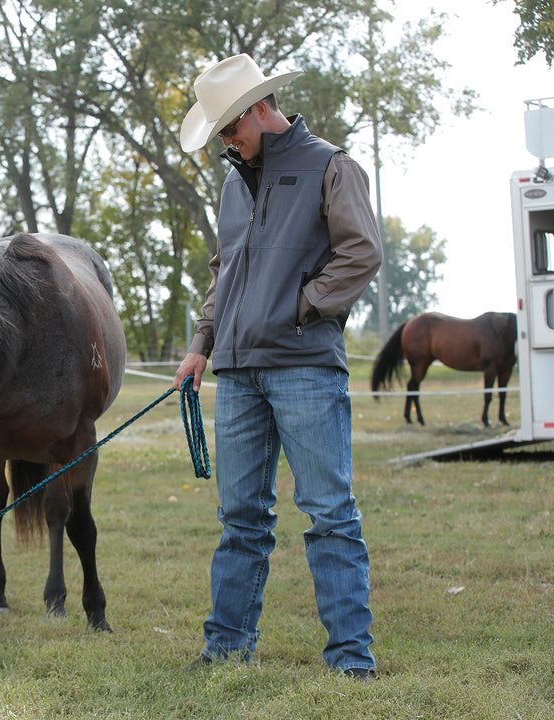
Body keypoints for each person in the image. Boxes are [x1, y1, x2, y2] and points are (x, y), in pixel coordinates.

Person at [172, 54, 382, 680]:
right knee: (240, 519)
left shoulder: (331, 166)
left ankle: (351, 660)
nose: (227, 143)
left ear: (260, 110)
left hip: (305, 368)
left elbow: (361, 252)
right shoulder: (235, 182)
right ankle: (227, 649)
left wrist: (300, 307)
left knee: (329, 514)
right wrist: (201, 344)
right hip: (236, 375)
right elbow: (224, 271)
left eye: (230, 128)